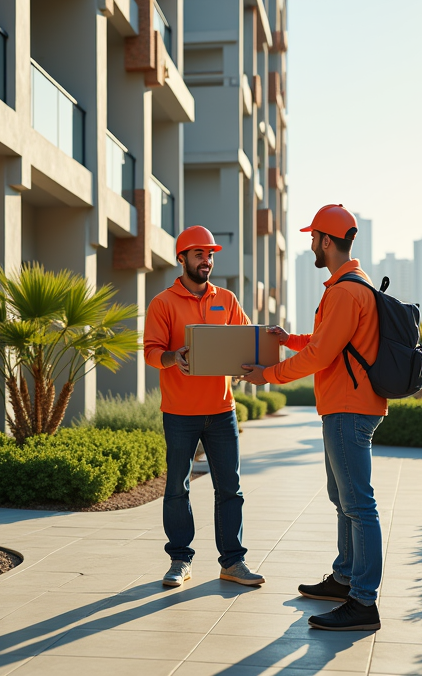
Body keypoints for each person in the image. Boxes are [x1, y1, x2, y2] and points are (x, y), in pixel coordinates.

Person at [239, 204, 387, 631]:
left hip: (347, 407)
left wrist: (268, 375)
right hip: (346, 406)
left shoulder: (344, 291)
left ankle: (363, 602)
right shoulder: (351, 286)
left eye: (313, 237)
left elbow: (321, 354)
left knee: (359, 505)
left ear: (327, 240)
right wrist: (289, 340)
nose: (310, 245)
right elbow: (328, 342)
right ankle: (344, 578)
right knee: (344, 501)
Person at [143, 225, 265, 588]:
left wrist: (252, 357)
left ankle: (233, 562)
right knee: (177, 487)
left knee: (230, 488)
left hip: (222, 410)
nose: (207, 260)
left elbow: (246, 339)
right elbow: (151, 352)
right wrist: (171, 358)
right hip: (179, 412)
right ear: (181, 258)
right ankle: (180, 560)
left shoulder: (226, 299)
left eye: (210, 254)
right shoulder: (163, 303)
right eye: (199, 254)